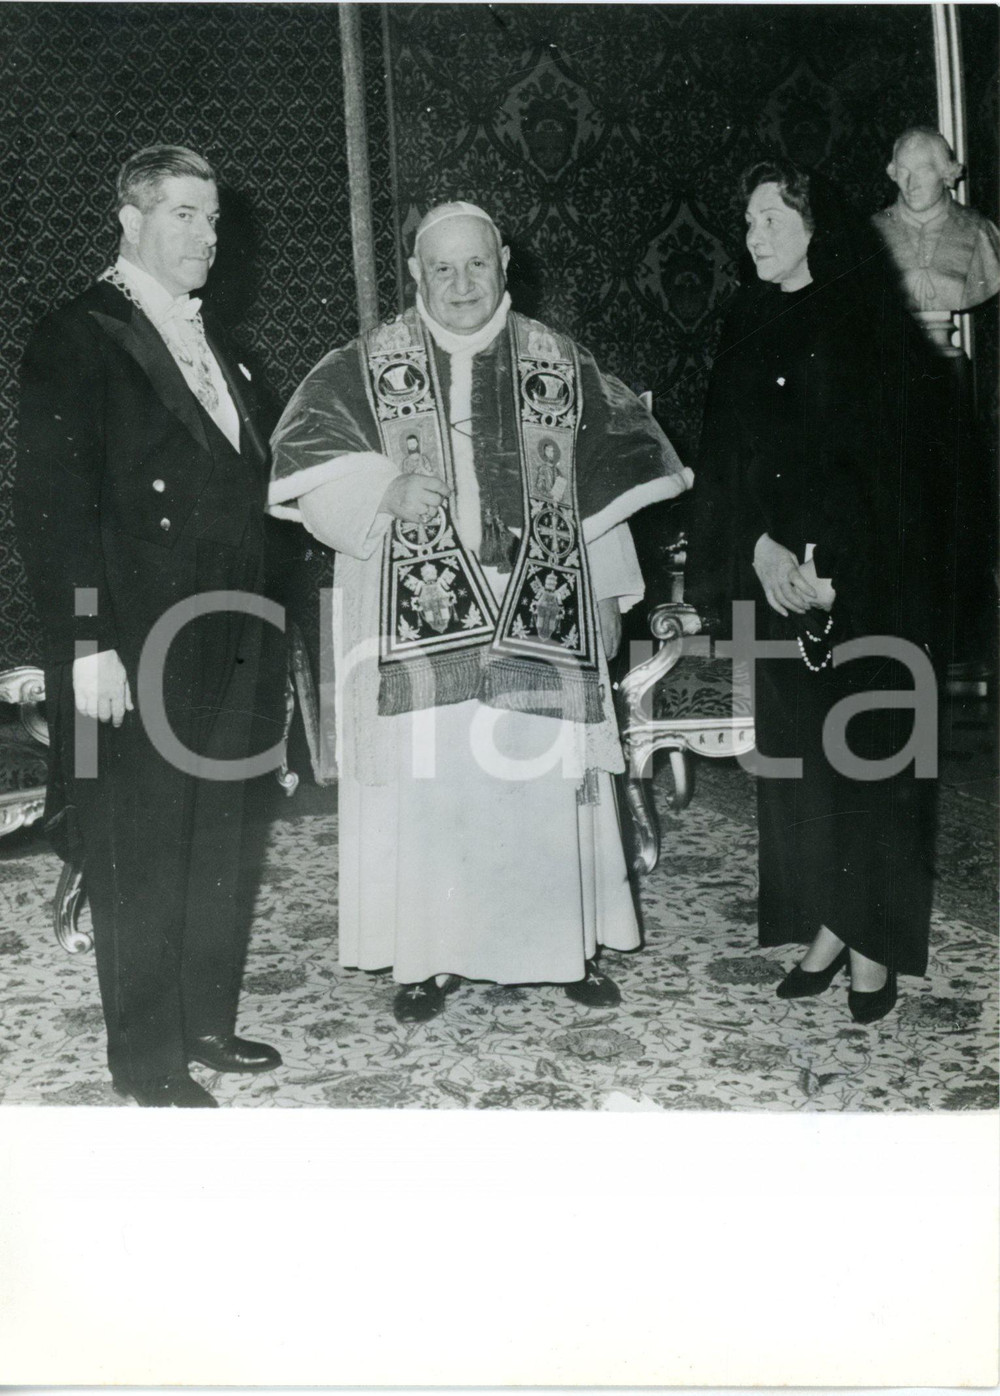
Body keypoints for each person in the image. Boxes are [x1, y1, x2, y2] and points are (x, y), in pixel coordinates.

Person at [268, 200, 690, 1022]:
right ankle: (429, 957)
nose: (461, 284)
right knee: (438, 787)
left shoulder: (557, 361)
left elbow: (600, 489)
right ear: (417, 275)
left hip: (540, 599)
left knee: (541, 781)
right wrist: (384, 489)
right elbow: (311, 476)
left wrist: (605, 592)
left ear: (503, 262)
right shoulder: (363, 365)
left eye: (477, 265)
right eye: (442, 269)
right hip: (414, 610)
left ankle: (561, 949)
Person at [15, 146, 281, 1105]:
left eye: (212, 218)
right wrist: (86, 646)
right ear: (129, 220)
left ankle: (204, 1020)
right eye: (182, 215)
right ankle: (147, 1058)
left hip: (233, 627)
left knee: (219, 833)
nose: (205, 235)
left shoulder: (229, 346)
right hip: (136, 633)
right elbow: (52, 511)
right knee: (144, 840)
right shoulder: (78, 336)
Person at [686, 159, 944, 1025]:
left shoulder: (870, 323)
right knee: (802, 762)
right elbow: (722, 457)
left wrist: (840, 572)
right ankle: (830, 925)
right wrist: (757, 550)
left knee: (871, 760)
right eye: (749, 222)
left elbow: (906, 472)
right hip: (773, 577)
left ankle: (875, 947)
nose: (753, 237)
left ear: (814, 228)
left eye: (771, 220)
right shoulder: (747, 319)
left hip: (863, 588)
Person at [872, 126, 1000, 318]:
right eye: (903, 171)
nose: (911, 184)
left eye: (922, 171)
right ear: (894, 173)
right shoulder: (870, 232)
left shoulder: (980, 230)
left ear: (945, 172)